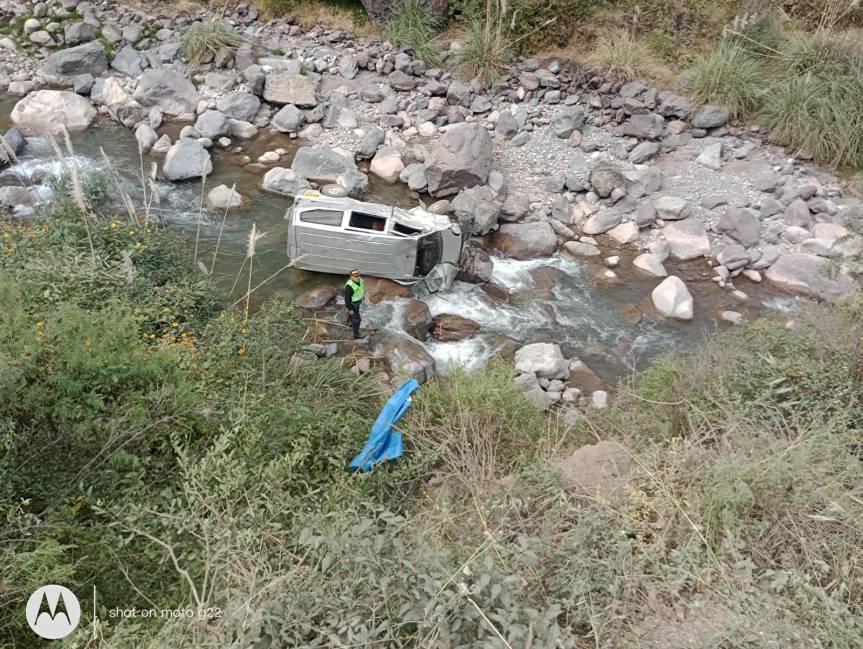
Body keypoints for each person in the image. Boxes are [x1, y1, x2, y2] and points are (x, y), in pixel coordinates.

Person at [344, 269, 365, 339]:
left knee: (353, 315)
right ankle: (356, 335)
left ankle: (350, 322)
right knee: (357, 320)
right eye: (355, 276)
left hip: (358, 301)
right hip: (353, 303)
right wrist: (350, 308)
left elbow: (361, 289)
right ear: (351, 277)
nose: (357, 277)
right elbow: (347, 299)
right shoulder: (349, 286)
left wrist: (363, 296)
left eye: (358, 275)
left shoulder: (361, 280)